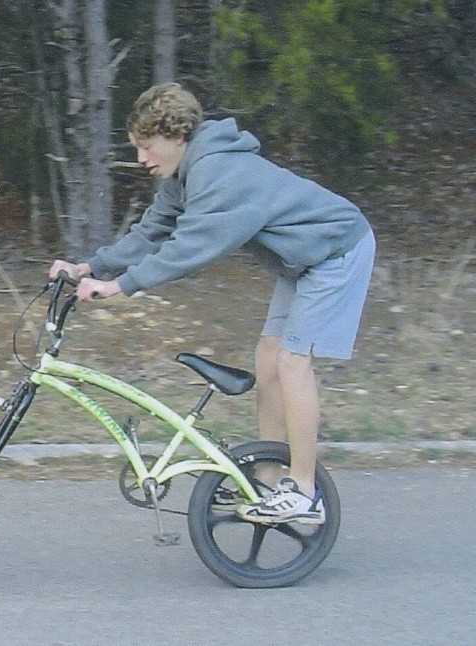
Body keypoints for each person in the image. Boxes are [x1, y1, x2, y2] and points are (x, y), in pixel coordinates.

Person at [49, 82, 375, 524]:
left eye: (146, 146)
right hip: (303, 262)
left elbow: (190, 248)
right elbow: (151, 233)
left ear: (175, 135)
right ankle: (267, 478)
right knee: (268, 361)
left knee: (293, 363)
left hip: (336, 252)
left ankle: (304, 491)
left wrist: (120, 286)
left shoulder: (219, 174)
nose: (141, 158)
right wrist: (90, 267)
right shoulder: (185, 175)